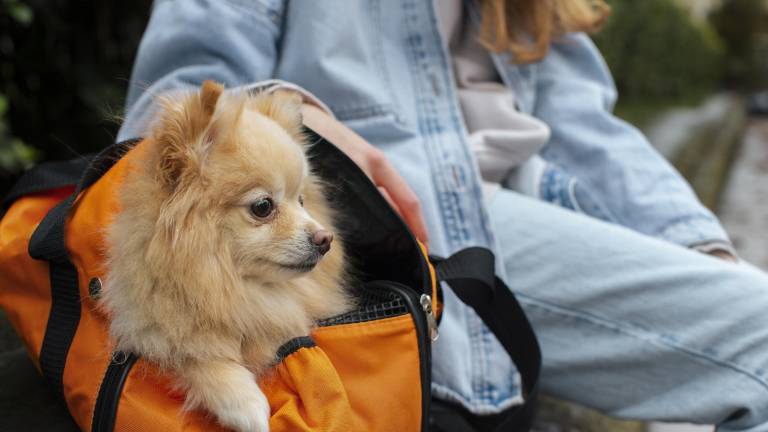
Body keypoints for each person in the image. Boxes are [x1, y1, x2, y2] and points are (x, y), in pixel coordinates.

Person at [118, 0, 768, 430]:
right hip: (404, 222)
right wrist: (302, 114)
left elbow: (585, 128)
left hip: (529, 212)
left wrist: (699, 243)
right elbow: (172, 107)